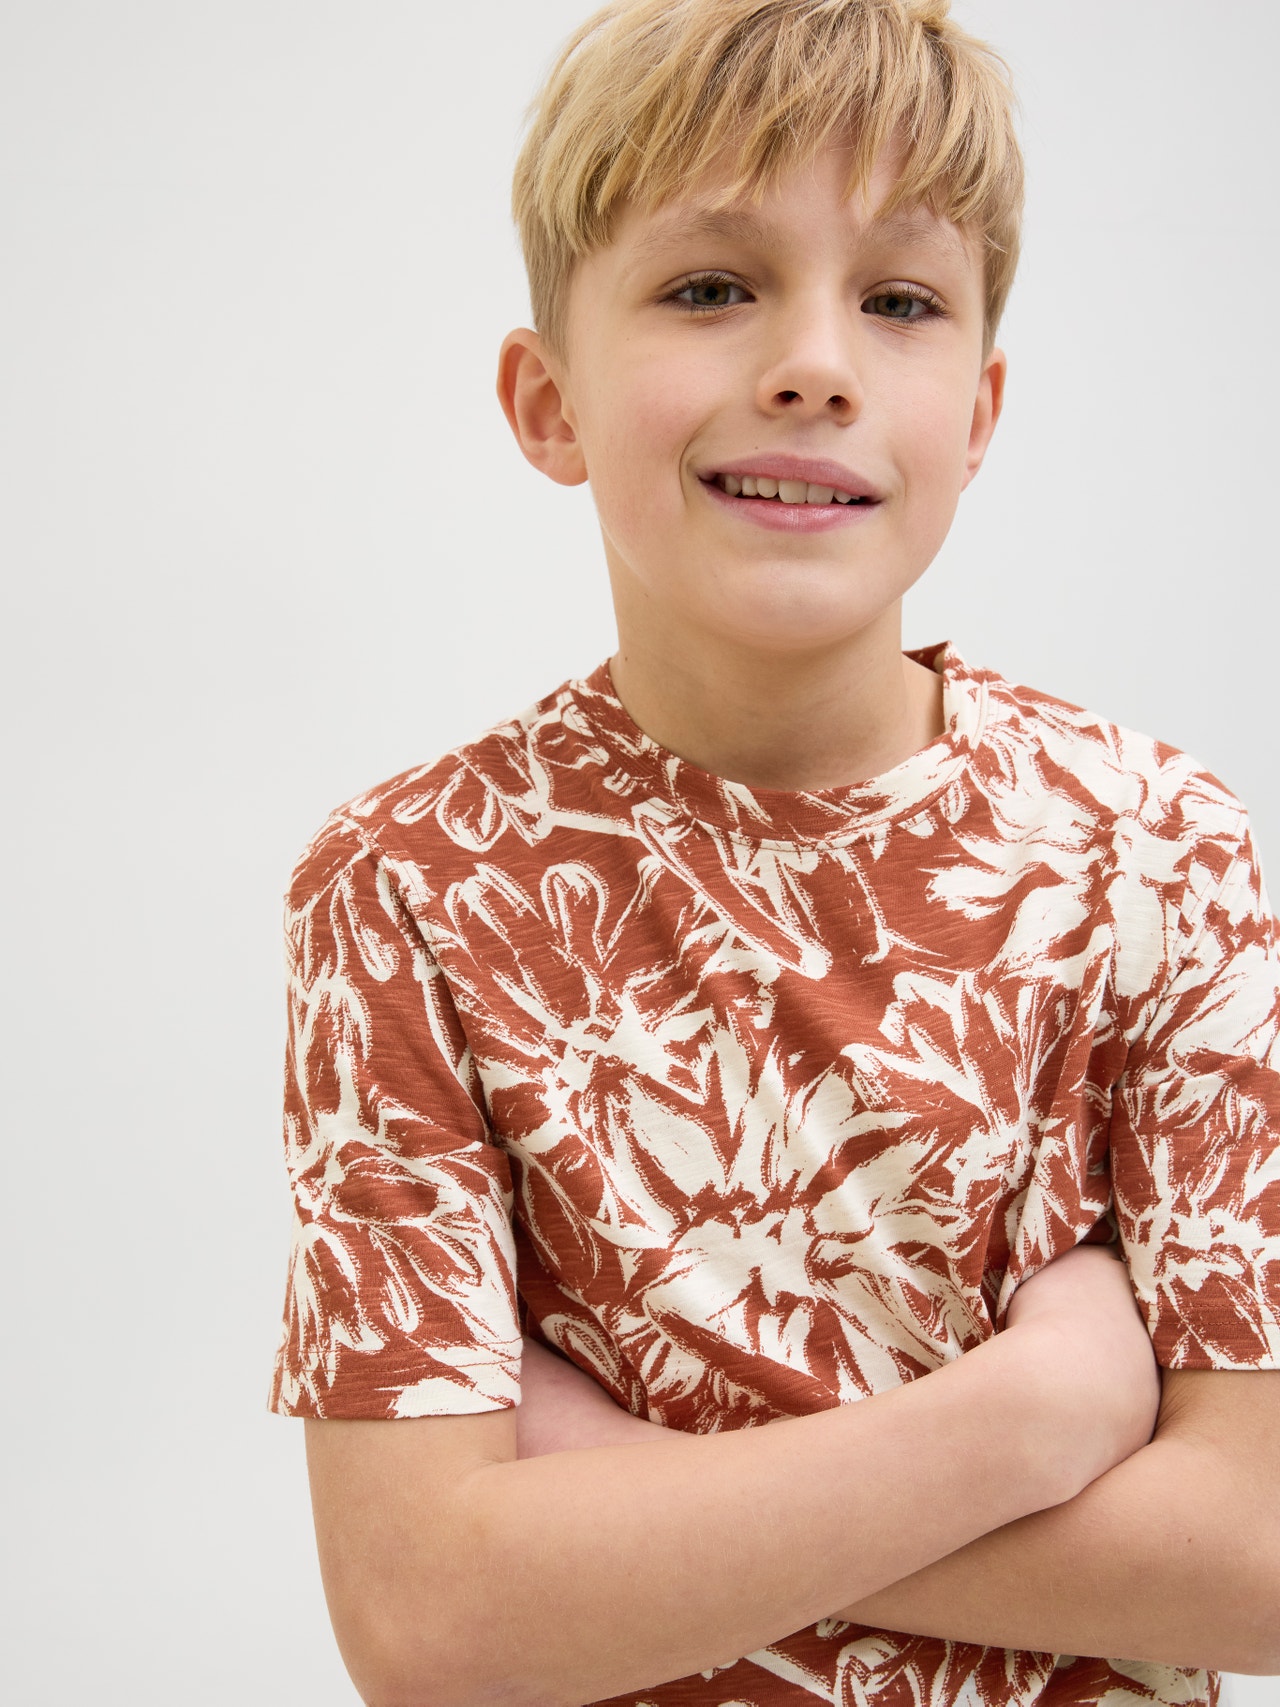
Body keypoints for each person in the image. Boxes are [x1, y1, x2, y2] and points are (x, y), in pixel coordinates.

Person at [268, 1, 1280, 1702]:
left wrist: (615, 1505)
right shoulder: (411, 885)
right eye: (710, 287)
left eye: (901, 302)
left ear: (981, 411)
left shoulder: (1160, 855)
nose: (816, 364)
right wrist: (1024, 1422)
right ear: (548, 402)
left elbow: (1256, 1560)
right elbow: (428, 1627)